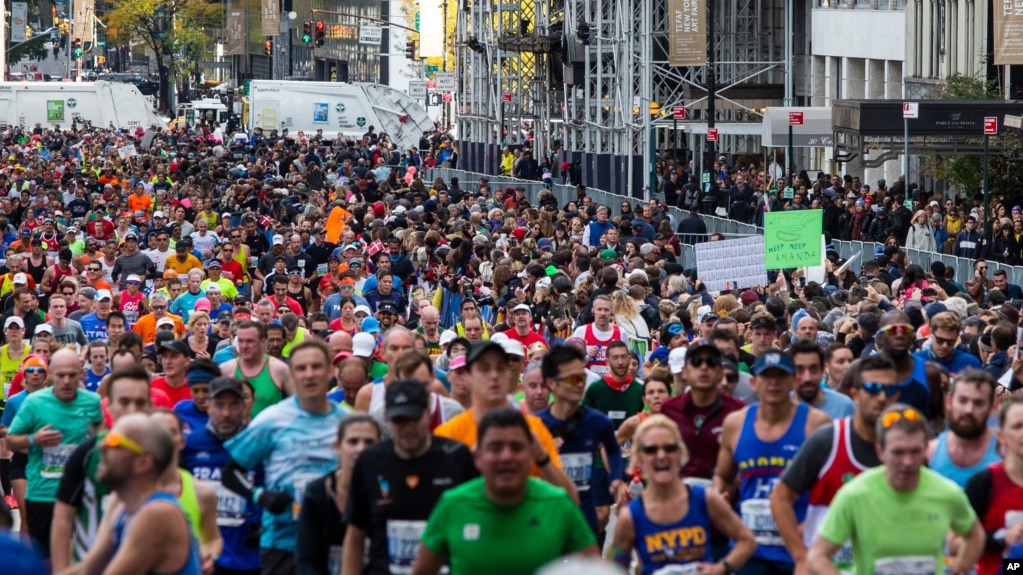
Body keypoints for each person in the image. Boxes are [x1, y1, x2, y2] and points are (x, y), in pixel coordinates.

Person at [411, 408, 599, 574]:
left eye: (516, 447)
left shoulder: (557, 504)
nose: (506, 456)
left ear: (531, 453)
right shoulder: (452, 505)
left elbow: (596, 568)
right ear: (478, 456)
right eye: (495, 448)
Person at [807, 404, 985, 575]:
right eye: (898, 453)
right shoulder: (855, 495)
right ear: (880, 452)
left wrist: (961, 569)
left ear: (926, 449)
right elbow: (817, 555)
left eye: (915, 451)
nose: (907, 462)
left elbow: (975, 535)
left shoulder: (947, 492)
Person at [223, 339, 350, 574]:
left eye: (316, 366)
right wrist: (261, 496)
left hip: (333, 541)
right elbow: (230, 473)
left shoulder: (346, 422)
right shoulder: (271, 420)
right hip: (283, 542)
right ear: (291, 374)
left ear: (331, 371)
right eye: (301, 368)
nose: (309, 374)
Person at [770, 353, 899, 574]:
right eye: (872, 388)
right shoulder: (828, 440)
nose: (881, 397)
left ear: (896, 396)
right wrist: (801, 556)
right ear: (855, 394)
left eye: (887, 390)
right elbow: (780, 497)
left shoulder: (906, 449)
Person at [342, 379, 477, 574]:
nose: (408, 428)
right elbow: (355, 534)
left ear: (428, 412)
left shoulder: (456, 457)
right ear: (386, 416)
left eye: (414, 419)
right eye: (399, 420)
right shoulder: (370, 460)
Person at [714, 350, 830, 574]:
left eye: (781, 376)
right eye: (767, 377)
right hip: (750, 548)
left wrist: (814, 524)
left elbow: (831, 482)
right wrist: (720, 492)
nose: (774, 383)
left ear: (793, 381)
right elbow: (722, 475)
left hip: (797, 546)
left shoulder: (815, 423)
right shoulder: (735, 424)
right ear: (755, 383)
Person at [434, 340, 578, 500]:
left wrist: (541, 458)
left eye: (501, 368)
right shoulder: (448, 434)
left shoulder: (533, 430)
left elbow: (571, 499)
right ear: (469, 375)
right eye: (484, 368)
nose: (494, 375)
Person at [612, 415, 756, 574]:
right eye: (651, 449)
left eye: (669, 448)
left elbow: (746, 540)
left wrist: (722, 568)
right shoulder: (631, 517)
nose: (661, 455)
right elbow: (615, 568)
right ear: (639, 457)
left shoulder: (705, 500)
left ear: (681, 454)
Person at [69, 413, 203, 575]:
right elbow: (88, 569)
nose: (102, 446)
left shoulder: (158, 513)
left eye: (114, 441)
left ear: (142, 463)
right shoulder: (121, 504)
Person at [51, 364, 153, 571]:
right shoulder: (87, 453)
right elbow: (63, 518)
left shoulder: (162, 454)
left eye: (139, 402)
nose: (132, 410)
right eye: (124, 402)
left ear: (150, 405)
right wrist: (61, 569)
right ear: (110, 405)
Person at [6, 348, 104, 557]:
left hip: (79, 493)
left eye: (72, 375)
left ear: (81, 373)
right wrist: (34, 439)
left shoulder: (92, 402)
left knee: (77, 557)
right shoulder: (34, 403)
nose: (67, 381)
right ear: (50, 374)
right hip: (42, 494)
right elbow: (11, 441)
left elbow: (102, 441)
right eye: (61, 375)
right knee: (43, 557)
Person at [537, 344, 624, 537]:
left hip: (585, 515)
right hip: (547, 517)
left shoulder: (598, 422)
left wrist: (616, 479)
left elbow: (613, 449)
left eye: (582, 378)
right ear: (551, 383)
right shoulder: (537, 425)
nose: (579, 384)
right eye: (572, 378)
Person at [296, 414, 381, 575]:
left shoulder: (387, 493)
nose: (360, 449)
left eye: (369, 442)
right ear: (337, 446)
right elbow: (306, 558)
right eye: (353, 441)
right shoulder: (317, 492)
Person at [965, 394, 1023, 575]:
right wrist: (1002, 537)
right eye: (1017, 426)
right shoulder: (983, 483)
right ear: (1001, 435)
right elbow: (957, 542)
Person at [926, 368, 1001, 488]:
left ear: (992, 408)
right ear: (949, 402)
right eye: (962, 401)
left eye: (978, 403)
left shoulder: (1005, 454)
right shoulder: (930, 453)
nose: (969, 410)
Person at [220, 320, 294, 417]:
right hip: (239, 431)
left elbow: (298, 407)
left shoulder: (280, 369)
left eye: (250, 341)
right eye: (241, 341)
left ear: (262, 342)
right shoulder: (226, 370)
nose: (244, 346)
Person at [789, 340, 854, 420]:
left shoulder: (845, 407)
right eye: (799, 370)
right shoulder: (778, 406)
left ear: (823, 369)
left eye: (814, 369)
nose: (807, 378)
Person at [572, 295, 625, 375]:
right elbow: (571, 364)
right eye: (599, 309)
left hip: (610, 385)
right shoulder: (581, 331)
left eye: (606, 310)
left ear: (611, 312)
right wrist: (588, 357)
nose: (603, 313)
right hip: (587, 384)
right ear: (593, 311)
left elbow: (625, 362)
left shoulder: (621, 332)